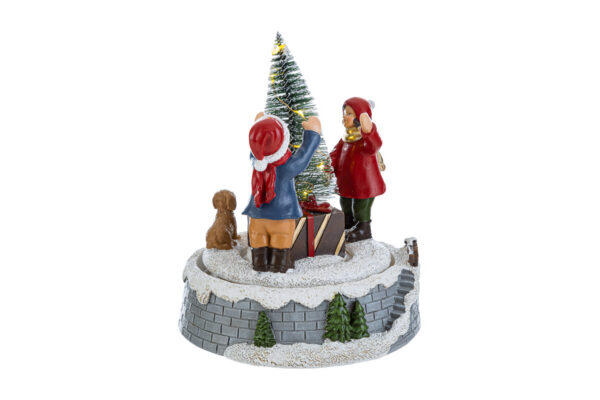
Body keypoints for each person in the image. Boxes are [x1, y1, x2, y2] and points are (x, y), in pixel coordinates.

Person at [242, 113, 321, 272]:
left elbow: (258, 146)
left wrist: (259, 126)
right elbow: (303, 156)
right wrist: (312, 134)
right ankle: (279, 265)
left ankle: (259, 264)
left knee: (258, 241)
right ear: (283, 141)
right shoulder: (286, 166)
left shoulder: (256, 160)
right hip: (282, 217)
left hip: (257, 217)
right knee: (281, 240)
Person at [330, 97, 386, 242]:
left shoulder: (365, 140)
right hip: (346, 182)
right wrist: (328, 164)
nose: (345, 116)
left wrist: (369, 131)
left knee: (361, 206)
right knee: (345, 202)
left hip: (364, 184)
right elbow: (335, 153)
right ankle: (348, 222)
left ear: (359, 118)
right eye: (345, 113)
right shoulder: (345, 138)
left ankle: (363, 228)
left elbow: (375, 145)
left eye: (349, 113)